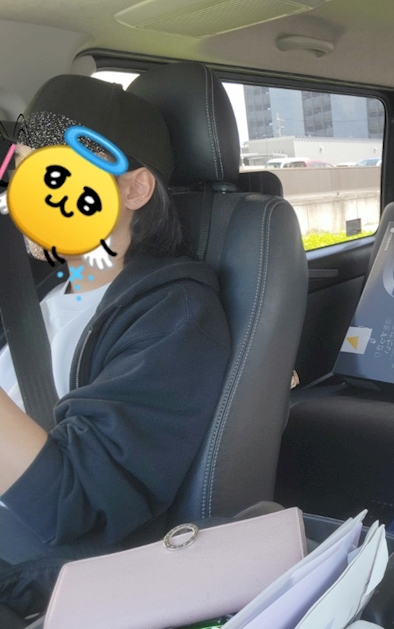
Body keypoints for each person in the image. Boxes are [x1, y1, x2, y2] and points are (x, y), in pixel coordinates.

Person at [0, 74, 231, 574]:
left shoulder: (175, 314)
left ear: (134, 188)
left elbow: (73, 505)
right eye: (20, 170)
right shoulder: (44, 287)